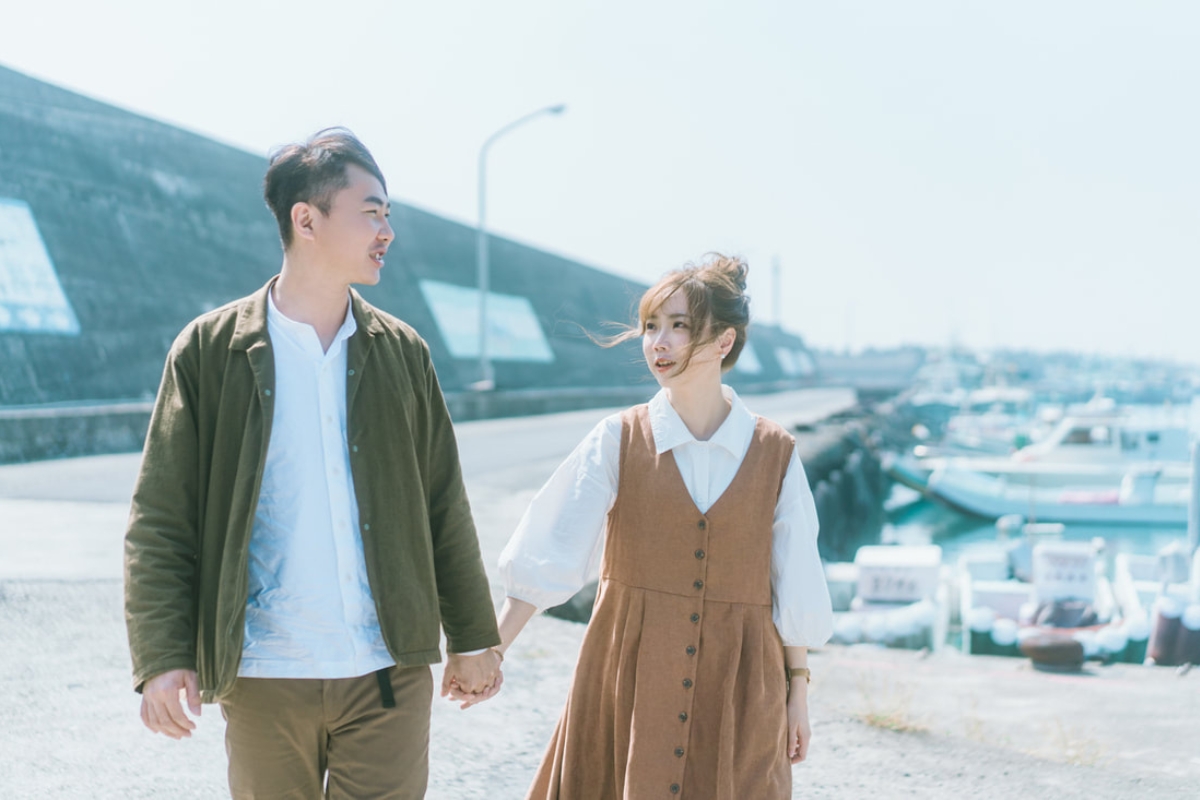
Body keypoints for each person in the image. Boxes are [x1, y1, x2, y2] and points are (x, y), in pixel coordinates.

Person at [123, 128, 502, 799]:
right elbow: (161, 517)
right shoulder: (210, 351)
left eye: (388, 214)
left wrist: (475, 635)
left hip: (388, 672)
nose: (387, 231)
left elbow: (444, 501)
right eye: (372, 212)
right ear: (307, 219)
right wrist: (162, 656)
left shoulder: (403, 353)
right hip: (265, 672)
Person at [488, 254, 833, 799]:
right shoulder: (617, 439)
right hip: (628, 668)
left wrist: (798, 693)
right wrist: (493, 651)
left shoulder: (775, 453)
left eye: (679, 327)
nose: (659, 343)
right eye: (651, 326)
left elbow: (795, 581)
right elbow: (549, 549)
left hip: (739, 678)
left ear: (723, 341)